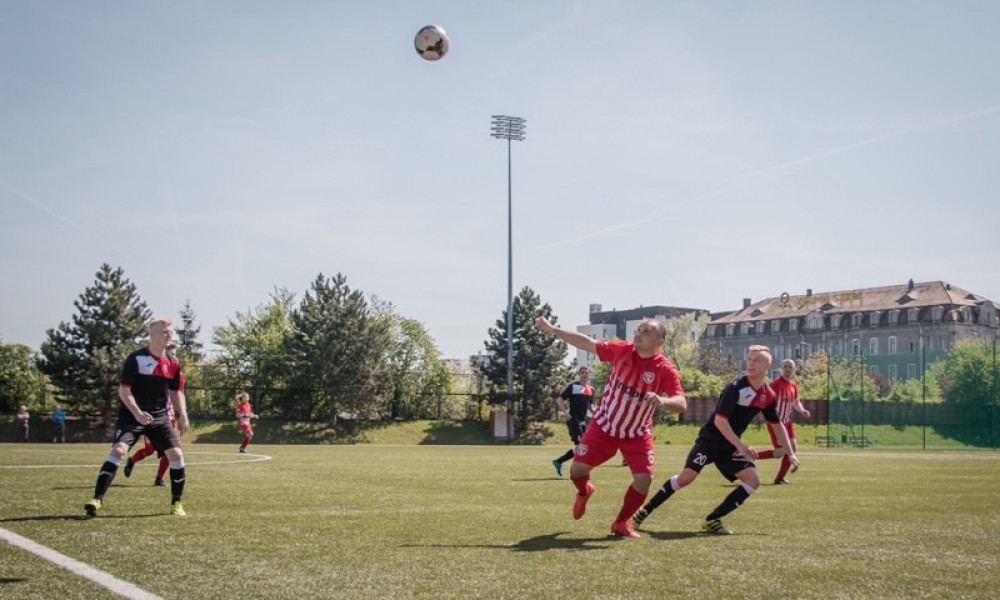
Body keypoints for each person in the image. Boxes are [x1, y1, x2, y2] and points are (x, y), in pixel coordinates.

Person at [535, 316, 686, 539]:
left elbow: (681, 403)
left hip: (637, 432)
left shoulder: (665, 369)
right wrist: (552, 329)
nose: (639, 333)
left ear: (660, 341)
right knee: (576, 471)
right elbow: (586, 342)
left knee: (644, 479)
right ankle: (584, 491)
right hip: (604, 425)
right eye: (639, 329)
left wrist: (663, 401)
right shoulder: (622, 350)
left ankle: (620, 523)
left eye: (646, 331)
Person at [632, 345, 799, 535]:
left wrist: (791, 453)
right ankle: (644, 511)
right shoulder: (735, 387)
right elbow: (720, 421)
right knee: (686, 478)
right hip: (710, 441)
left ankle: (713, 519)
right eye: (749, 359)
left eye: (756, 360)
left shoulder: (767, 395)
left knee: (752, 480)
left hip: (730, 446)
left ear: (767, 366)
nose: (750, 363)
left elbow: (777, 425)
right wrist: (741, 446)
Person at [84, 318, 190, 517]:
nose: (169, 335)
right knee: (118, 450)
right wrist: (137, 413)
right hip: (132, 416)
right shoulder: (136, 359)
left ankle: (176, 503)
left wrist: (182, 414)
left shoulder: (173, 363)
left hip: (158, 417)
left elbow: (176, 392)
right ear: (152, 334)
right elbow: (124, 391)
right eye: (164, 331)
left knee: (176, 455)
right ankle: (96, 499)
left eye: (170, 331)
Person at [123, 348, 184, 487]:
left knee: (171, 450)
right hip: (153, 415)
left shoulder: (178, 374)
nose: (172, 358)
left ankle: (159, 478)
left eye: (174, 355)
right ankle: (132, 460)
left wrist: (182, 414)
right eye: (170, 354)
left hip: (169, 417)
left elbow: (178, 394)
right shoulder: (151, 372)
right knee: (150, 449)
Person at [756, 358, 811, 484]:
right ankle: (750, 456)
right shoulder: (775, 384)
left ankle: (779, 478)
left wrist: (802, 410)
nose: (787, 369)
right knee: (781, 452)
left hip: (787, 421)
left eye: (790, 367)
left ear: (794, 370)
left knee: (793, 447)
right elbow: (765, 400)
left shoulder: (793, 385)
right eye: (785, 366)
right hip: (775, 423)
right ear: (781, 368)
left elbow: (796, 402)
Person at [551, 366, 595, 477]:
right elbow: (560, 400)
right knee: (581, 447)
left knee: (583, 447)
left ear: (590, 375)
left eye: (586, 372)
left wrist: (596, 413)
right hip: (573, 420)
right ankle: (578, 471)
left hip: (583, 421)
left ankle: (559, 461)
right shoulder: (573, 386)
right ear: (579, 374)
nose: (585, 374)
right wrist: (565, 412)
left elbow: (590, 406)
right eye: (582, 372)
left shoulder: (591, 389)